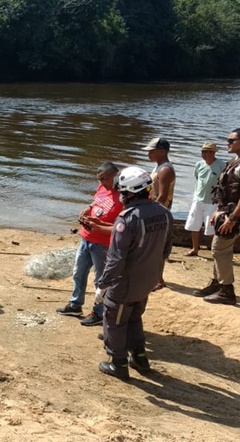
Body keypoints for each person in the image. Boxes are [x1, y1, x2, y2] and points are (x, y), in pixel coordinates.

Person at [95, 167, 173, 381]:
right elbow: (165, 250)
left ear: (129, 192)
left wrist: (103, 284)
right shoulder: (164, 213)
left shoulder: (126, 219)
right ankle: (139, 358)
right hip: (148, 280)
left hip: (125, 283)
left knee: (114, 321)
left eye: (122, 191)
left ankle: (118, 364)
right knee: (134, 318)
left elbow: (116, 258)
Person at [195, 127, 240, 305]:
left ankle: (226, 291)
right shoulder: (237, 161)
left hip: (236, 214)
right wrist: (219, 210)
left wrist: (233, 217)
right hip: (227, 212)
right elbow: (226, 190)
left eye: (231, 140)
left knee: (219, 249)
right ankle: (217, 283)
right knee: (220, 248)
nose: (227, 143)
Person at [56, 162, 123, 327]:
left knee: (101, 281)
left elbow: (123, 224)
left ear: (114, 176)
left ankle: (99, 312)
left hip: (103, 244)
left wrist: (99, 225)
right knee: (78, 272)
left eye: (104, 179)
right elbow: (96, 202)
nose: (101, 183)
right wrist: (88, 208)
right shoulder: (102, 188)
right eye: (99, 179)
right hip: (87, 238)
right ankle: (75, 304)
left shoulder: (124, 196)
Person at [142, 137, 176, 291]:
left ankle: (159, 279)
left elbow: (162, 196)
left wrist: (151, 213)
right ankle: (154, 276)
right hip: (155, 209)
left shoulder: (165, 170)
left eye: (152, 151)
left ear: (162, 151)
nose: (149, 154)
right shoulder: (159, 167)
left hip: (159, 212)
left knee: (158, 245)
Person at [183, 142, 223, 256]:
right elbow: (197, 178)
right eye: (203, 151)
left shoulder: (221, 165)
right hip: (198, 199)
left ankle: (216, 251)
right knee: (194, 226)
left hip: (213, 201)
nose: (204, 154)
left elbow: (224, 183)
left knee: (211, 228)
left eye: (207, 151)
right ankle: (195, 249)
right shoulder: (199, 165)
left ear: (213, 152)